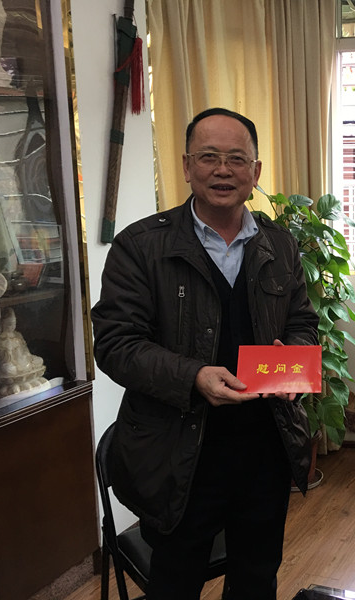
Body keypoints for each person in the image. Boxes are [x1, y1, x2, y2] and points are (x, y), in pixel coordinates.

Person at [91, 107, 318, 599]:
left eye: (236, 159)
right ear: (186, 166)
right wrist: (193, 376)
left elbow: (302, 324)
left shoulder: (279, 245)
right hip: (178, 456)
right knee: (175, 583)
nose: (222, 170)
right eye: (208, 157)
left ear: (255, 171)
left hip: (265, 448)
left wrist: (293, 363)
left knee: (256, 579)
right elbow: (115, 343)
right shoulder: (141, 246)